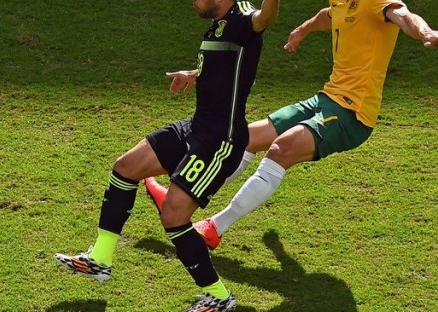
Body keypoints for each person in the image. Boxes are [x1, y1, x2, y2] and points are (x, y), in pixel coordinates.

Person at [145, 0, 438, 250]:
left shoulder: (377, 1)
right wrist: (304, 29)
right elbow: (329, 15)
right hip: (326, 98)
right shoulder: (341, 1)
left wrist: (424, 32)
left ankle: (215, 227)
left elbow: (404, 16)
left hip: (353, 114)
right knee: (245, 138)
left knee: (282, 148)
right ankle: (180, 194)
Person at [55, 1, 280, 311]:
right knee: (126, 167)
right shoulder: (219, 21)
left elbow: (266, 17)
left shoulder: (243, 17)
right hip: (196, 126)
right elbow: (229, 68)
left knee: (174, 215)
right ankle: (100, 259)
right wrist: (196, 74)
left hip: (219, 140)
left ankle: (219, 297)